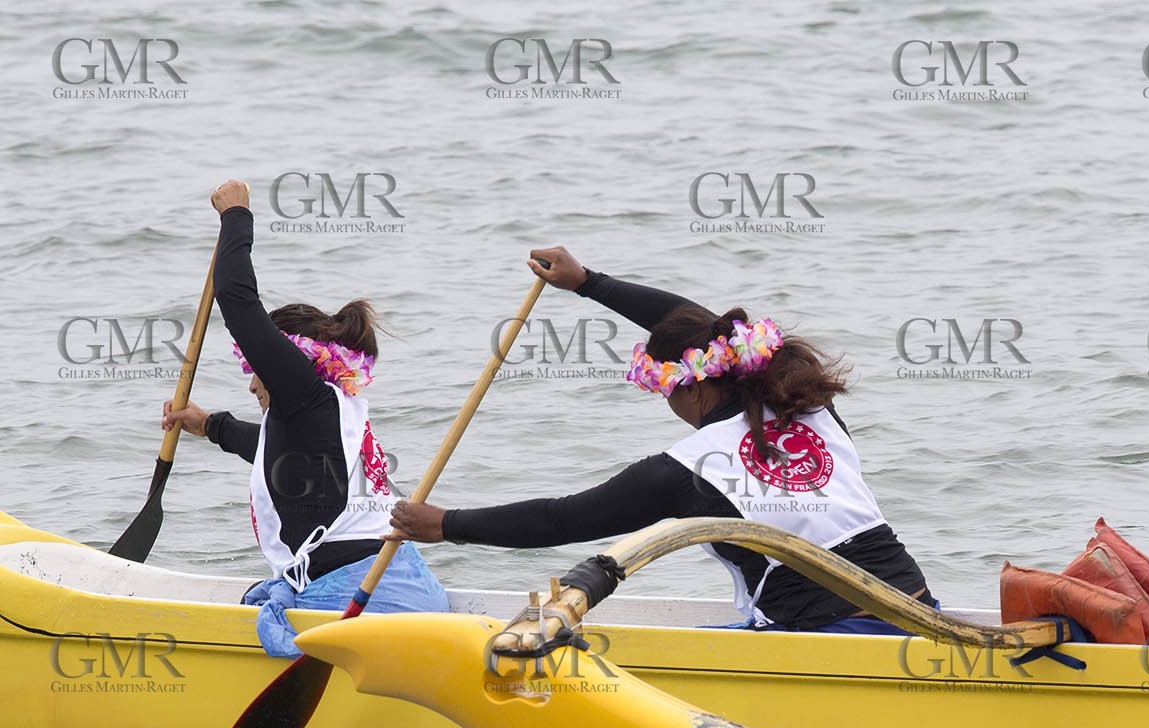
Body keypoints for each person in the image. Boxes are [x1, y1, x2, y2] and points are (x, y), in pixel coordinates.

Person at [386, 246, 933, 633]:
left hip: (832, 638)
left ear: (691, 386)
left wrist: (446, 524)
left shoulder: (685, 471)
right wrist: (588, 282)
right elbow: (701, 325)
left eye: (662, 389)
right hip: (919, 610)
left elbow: (561, 520)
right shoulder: (810, 405)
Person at [161, 179, 448, 655]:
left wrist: (235, 216)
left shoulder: (302, 392)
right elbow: (284, 458)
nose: (252, 384)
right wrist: (210, 425)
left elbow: (237, 302)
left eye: (255, 370)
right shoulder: (330, 406)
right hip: (404, 586)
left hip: (366, 601)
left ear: (285, 362)